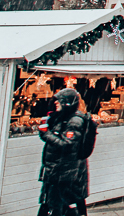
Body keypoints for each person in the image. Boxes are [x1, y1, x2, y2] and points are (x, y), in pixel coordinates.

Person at [37, 88, 89, 216]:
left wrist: (46, 134)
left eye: (59, 101)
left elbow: (67, 144)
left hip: (64, 173)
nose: (56, 103)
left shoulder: (74, 121)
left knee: (58, 205)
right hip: (59, 172)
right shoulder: (64, 118)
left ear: (67, 103)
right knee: (55, 203)